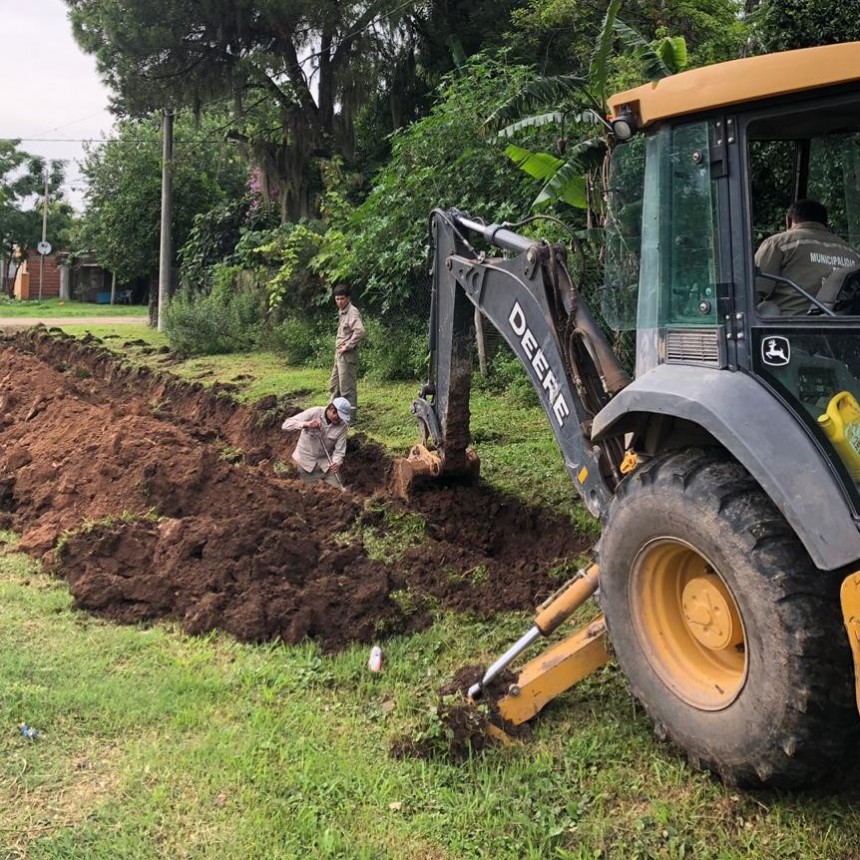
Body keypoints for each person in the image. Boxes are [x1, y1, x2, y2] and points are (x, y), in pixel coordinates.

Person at [755, 199, 860, 315]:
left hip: (790, 326)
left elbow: (755, 289)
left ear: (789, 221)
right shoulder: (850, 251)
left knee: (766, 308)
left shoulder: (779, 243)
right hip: (840, 327)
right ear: (825, 223)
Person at [281, 397, 351, 489]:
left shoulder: (343, 426)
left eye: (342, 418)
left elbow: (339, 451)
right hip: (305, 462)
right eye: (339, 417)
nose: (340, 421)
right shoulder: (314, 412)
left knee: (338, 492)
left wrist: (336, 462)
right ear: (332, 410)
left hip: (325, 464)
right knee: (312, 492)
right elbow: (286, 425)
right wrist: (307, 424)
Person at [329, 284, 364, 423]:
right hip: (339, 356)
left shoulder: (352, 312)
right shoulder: (342, 311)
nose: (339, 302)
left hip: (347, 356)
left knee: (347, 389)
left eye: (342, 299)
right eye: (337, 299)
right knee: (334, 386)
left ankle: (350, 420)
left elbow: (360, 331)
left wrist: (348, 346)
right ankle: (333, 415)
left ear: (348, 298)